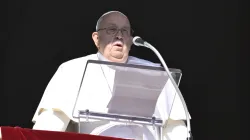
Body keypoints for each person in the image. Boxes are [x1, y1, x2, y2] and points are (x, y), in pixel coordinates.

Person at [32, 11, 190, 140]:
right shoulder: (72, 69)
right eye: (111, 29)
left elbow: (175, 126)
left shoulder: (155, 72)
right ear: (96, 38)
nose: (119, 35)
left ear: (130, 38)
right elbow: (50, 124)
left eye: (124, 31)